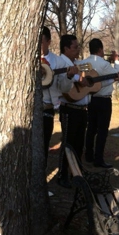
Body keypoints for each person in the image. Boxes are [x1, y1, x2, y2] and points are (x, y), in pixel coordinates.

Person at [82, 39, 119, 168]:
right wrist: (116, 60)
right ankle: (98, 159)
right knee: (102, 131)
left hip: (91, 99)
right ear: (100, 49)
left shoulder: (84, 63)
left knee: (91, 129)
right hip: (104, 100)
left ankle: (88, 154)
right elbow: (116, 75)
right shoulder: (104, 64)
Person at [56, 34, 87, 188]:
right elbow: (61, 81)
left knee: (79, 144)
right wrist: (76, 77)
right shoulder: (60, 62)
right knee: (68, 143)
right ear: (66, 48)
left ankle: (77, 174)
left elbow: (89, 73)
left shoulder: (79, 64)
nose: (78, 50)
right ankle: (62, 174)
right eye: (75, 47)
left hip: (82, 109)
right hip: (69, 109)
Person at [40, 26, 73, 165]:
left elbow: (64, 87)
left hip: (46, 107)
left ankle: (41, 177)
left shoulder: (58, 62)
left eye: (40, 41)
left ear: (48, 41)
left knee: (44, 144)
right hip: (26, 109)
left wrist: (69, 76)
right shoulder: (24, 59)